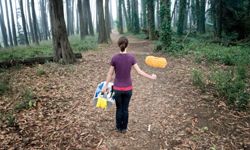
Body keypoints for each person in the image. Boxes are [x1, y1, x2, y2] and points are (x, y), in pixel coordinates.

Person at [102, 36, 157, 133]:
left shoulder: (114, 58)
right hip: (128, 89)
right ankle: (124, 128)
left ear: (119, 45)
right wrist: (151, 77)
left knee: (119, 108)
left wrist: (105, 86)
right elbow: (139, 72)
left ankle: (119, 127)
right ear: (127, 45)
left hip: (117, 89)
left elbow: (110, 74)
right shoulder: (131, 57)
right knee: (125, 108)